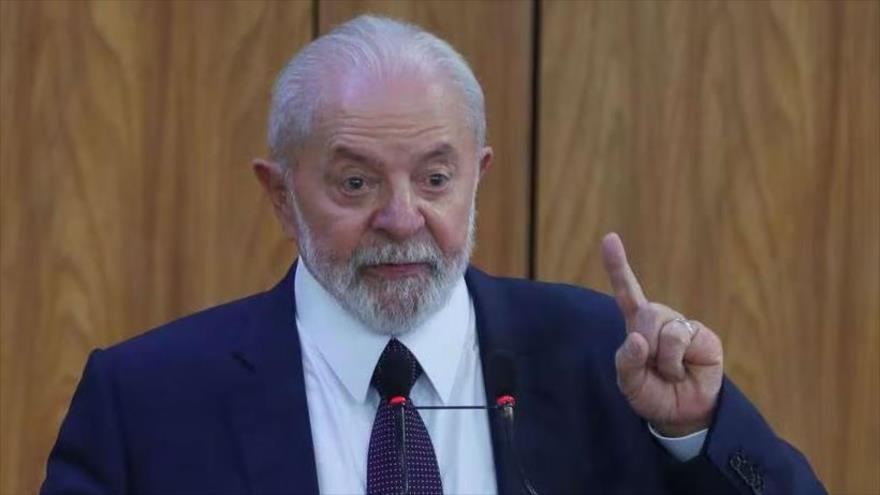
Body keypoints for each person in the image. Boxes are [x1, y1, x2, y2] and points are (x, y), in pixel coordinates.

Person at [42, 15, 824, 495]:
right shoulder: (147, 401)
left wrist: (693, 433)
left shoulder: (600, 361)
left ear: (477, 178)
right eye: (354, 182)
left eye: (435, 177)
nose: (400, 216)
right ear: (280, 195)